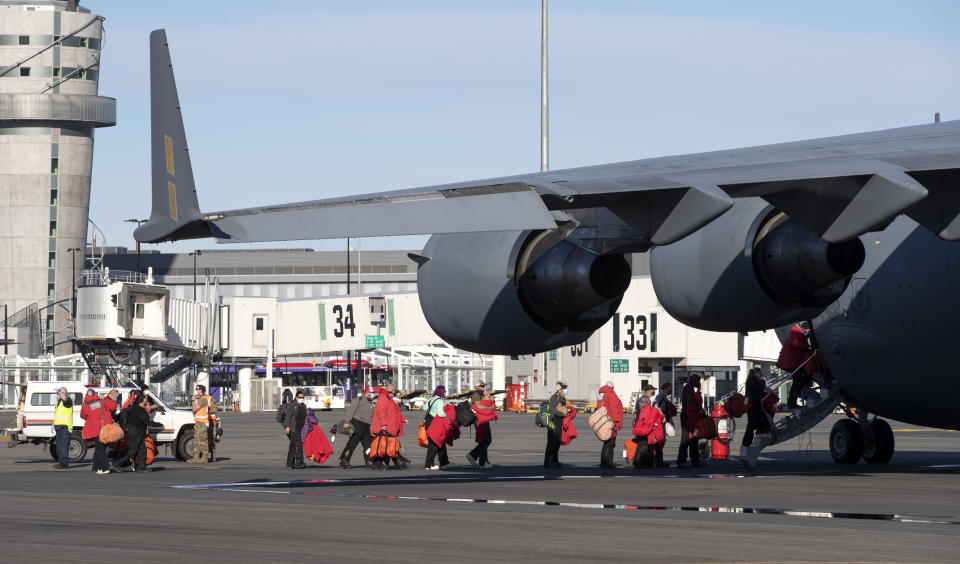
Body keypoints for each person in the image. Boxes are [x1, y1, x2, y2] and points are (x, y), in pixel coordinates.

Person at [370, 384, 410, 469]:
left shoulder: (388, 398)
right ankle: (397, 461)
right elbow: (381, 412)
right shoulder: (383, 398)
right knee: (386, 446)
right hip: (384, 427)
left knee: (387, 446)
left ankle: (396, 461)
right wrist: (383, 424)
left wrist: (403, 419)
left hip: (389, 427)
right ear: (390, 391)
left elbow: (395, 412)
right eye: (394, 390)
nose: (395, 392)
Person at [80, 388, 119, 474]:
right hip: (105, 428)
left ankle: (104, 468)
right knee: (101, 448)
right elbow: (113, 406)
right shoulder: (102, 402)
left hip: (94, 429)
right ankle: (96, 467)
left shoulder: (86, 405)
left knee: (99, 449)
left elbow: (83, 416)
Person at [338, 387, 375, 469]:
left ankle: (368, 460)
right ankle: (344, 460)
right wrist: (347, 421)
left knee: (368, 445)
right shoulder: (359, 399)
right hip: (357, 424)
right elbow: (351, 410)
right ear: (366, 392)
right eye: (370, 393)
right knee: (352, 444)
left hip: (366, 427)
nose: (372, 394)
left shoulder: (370, 402)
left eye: (372, 393)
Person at [779, 322, 813, 410]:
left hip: (792, 362)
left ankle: (795, 397)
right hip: (793, 363)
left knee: (799, 379)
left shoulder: (796, 333)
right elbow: (796, 344)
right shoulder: (796, 333)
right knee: (802, 377)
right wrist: (806, 346)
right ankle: (796, 394)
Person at [113, 394, 150, 472]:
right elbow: (147, 421)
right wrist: (159, 425)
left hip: (137, 433)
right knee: (132, 451)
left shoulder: (136, 408)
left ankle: (141, 467)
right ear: (142, 401)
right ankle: (117, 463)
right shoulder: (139, 410)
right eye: (146, 400)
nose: (147, 401)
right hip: (135, 433)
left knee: (142, 450)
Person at [676, 374, 707, 468]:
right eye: (698, 380)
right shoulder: (690, 390)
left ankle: (687, 459)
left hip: (689, 417)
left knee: (691, 439)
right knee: (688, 439)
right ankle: (688, 460)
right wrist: (700, 412)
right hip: (690, 418)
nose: (699, 383)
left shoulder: (689, 388)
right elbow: (692, 404)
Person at [467, 381, 496, 467]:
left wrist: (491, 401)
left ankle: (473, 455)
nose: (484, 387)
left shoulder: (483, 395)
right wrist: (490, 407)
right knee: (484, 440)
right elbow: (479, 406)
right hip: (479, 420)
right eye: (482, 386)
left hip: (484, 418)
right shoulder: (476, 395)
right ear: (477, 387)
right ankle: (483, 462)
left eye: (484, 386)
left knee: (487, 440)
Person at [741, 368, 770, 448]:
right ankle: (748, 441)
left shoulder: (750, 379)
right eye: (759, 373)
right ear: (756, 373)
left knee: (752, 423)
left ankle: (748, 441)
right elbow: (758, 389)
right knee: (754, 423)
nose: (760, 375)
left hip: (751, 404)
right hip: (754, 404)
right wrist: (765, 391)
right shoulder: (753, 380)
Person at [597, 382, 623, 468]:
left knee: (606, 442)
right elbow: (614, 409)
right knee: (610, 443)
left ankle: (604, 462)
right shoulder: (611, 394)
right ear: (612, 387)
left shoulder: (601, 393)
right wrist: (616, 421)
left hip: (603, 421)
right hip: (610, 422)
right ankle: (608, 463)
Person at [280, 389, 308, 469]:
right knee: (298, 444)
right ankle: (299, 462)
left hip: (299, 428)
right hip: (292, 428)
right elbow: (288, 417)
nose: (301, 398)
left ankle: (290, 462)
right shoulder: (292, 405)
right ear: (296, 397)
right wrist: (287, 427)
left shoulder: (303, 406)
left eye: (302, 397)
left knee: (293, 444)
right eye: (300, 397)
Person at [424, 386, 450, 470]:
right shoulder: (440, 401)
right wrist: (448, 415)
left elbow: (424, 408)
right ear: (441, 392)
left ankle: (444, 462)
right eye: (444, 391)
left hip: (428, 421)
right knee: (434, 444)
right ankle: (428, 464)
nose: (445, 392)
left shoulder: (432, 399)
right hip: (434, 423)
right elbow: (440, 413)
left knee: (440, 442)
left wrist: (432, 410)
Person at [543, 382, 569, 469]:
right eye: (564, 389)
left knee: (557, 442)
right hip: (553, 422)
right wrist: (562, 414)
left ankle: (554, 461)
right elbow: (551, 409)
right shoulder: (555, 397)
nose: (565, 391)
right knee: (552, 442)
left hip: (559, 422)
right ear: (559, 389)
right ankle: (549, 462)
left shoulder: (561, 398)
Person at [188, 384, 214, 464]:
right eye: (196, 389)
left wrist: (193, 401)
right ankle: (196, 457)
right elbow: (194, 410)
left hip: (202, 423)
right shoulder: (199, 399)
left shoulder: (203, 400)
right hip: (198, 422)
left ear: (201, 390)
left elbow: (195, 409)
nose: (197, 391)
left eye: (198, 389)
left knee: (202, 440)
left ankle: (204, 457)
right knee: (197, 440)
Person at [51, 387, 74, 469]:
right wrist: (53, 424)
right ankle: (61, 462)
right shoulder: (59, 402)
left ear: (65, 393)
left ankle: (64, 463)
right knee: (59, 446)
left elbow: (64, 398)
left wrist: (60, 392)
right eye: (59, 391)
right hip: (59, 427)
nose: (59, 393)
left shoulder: (68, 400)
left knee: (64, 446)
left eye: (61, 391)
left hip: (65, 427)